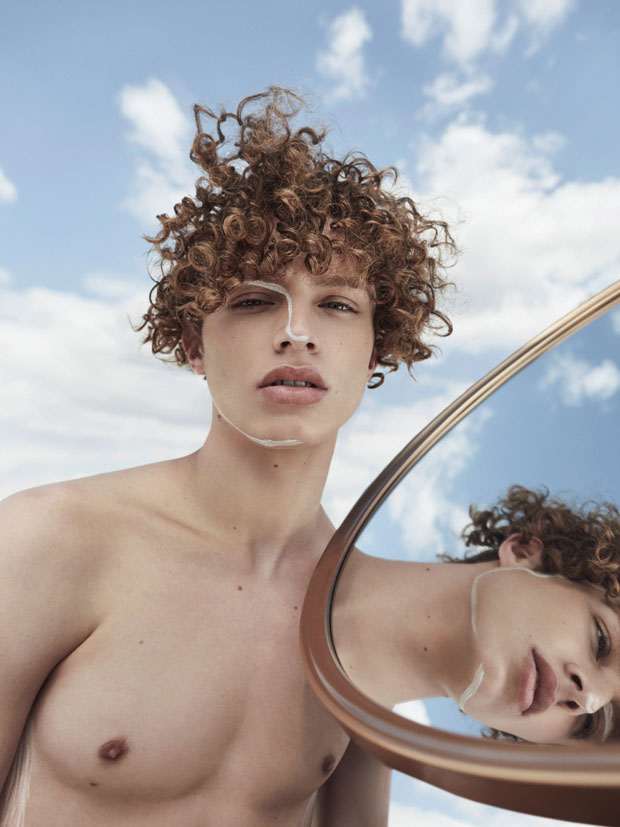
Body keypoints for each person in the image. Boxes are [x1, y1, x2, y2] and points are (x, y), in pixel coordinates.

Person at [0, 88, 453, 826]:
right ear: (192, 342)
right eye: (252, 299)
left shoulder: (359, 619)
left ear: (379, 347)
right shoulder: (46, 540)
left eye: (337, 304)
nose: (297, 331)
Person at [332, 485, 620, 746]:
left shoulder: (352, 772)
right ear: (522, 553)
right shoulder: (304, 489)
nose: (588, 699)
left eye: (590, 723)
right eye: (601, 640)